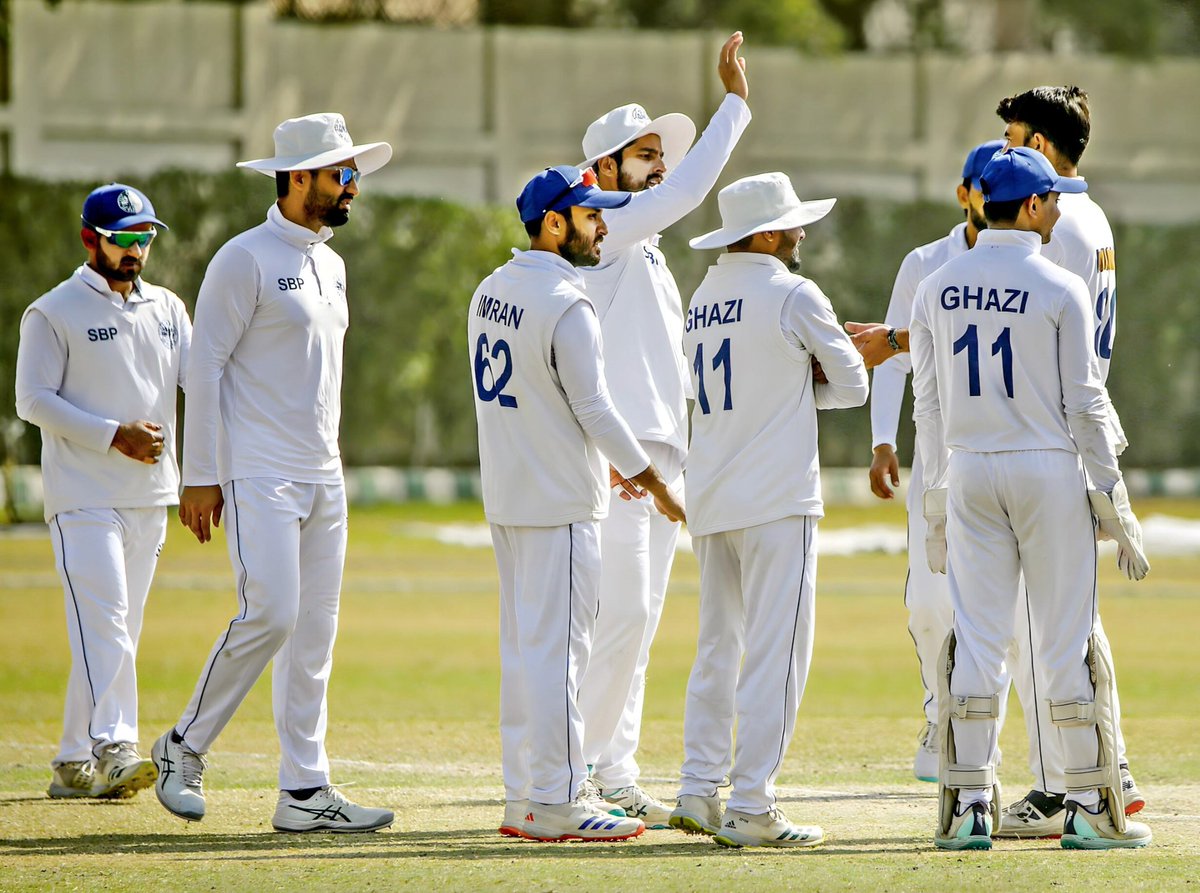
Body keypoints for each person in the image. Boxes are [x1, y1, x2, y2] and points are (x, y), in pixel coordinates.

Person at [151, 113, 395, 832]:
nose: (351, 186)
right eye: (338, 174)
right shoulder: (242, 257)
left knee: (313, 634)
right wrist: (202, 475)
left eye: (352, 173)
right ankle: (181, 746)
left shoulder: (332, 261)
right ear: (296, 180)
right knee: (273, 612)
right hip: (260, 473)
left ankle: (303, 789)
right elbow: (205, 365)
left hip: (325, 474)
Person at [911, 147, 1151, 850]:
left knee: (979, 641)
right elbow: (1085, 400)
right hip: (1047, 468)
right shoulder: (1056, 286)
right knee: (1065, 640)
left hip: (970, 470)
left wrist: (934, 493)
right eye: (1051, 201)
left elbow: (926, 401)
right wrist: (1112, 493)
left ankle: (966, 809)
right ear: (1037, 204)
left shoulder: (938, 284)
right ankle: (1090, 805)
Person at [470, 165, 686, 842]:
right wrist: (649, 479)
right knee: (561, 652)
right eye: (591, 216)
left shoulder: (491, 289)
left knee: (524, 651)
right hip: (561, 500)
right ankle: (558, 797)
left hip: (510, 495)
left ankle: (523, 794)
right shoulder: (567, 301)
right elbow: (593, 404)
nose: (602, 227)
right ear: (555, 223)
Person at [573, 30, 752, 828]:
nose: (657, 165)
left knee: (640, 621)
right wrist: (735, 108)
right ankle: (572, 770)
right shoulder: (606, 235)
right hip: (619, 462)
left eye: (658, 154)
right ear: (603, 171)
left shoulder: (643, 250)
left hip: (659, 459)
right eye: (642, 155)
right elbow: (682, 198)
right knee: (620, 616)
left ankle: (612, 767)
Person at [671, 172, 868, 848]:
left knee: (718, 645)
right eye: (790, 223)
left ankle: (698, 788)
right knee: (776, 652)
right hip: (777, 495)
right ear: (764, 233)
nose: (800, 233)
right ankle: (751, 802)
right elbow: (854, 383)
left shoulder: (702, 295)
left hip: (712, 492)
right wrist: (798, 384)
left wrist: (783, 383)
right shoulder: (793, 292)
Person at [993, 85, 1142, 837]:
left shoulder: (1057, 224)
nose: (1007, 152)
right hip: (1064, 440)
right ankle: (1098, 772)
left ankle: (1070, 786)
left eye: (1017, 137)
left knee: (1047, 631)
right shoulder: (1091, 215)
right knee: (1062, 627)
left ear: (1044, 146)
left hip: (1049, 443)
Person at [15, 184, 190, 800]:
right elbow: (32, 400)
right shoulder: (53, 310)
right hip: (82, 496)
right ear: (91, 239)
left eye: (145, 237)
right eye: (123, 240)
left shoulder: (168, 308)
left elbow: (201, 380)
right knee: (107, 621)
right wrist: (112, 435)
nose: (136, 250)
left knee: (114, 629)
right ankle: (115, 748)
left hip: (151, 495)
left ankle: (70, 760)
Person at [863, 141, 1003, 784]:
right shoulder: (925, 263)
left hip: (1006, 452)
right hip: (939, 456)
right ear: (965, 193)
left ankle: (999, 749)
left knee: (1008, 609)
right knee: (927, 601)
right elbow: (891, 354)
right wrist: (881, 440)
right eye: (983, 185)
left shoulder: (1032, 255)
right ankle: (937, 713)